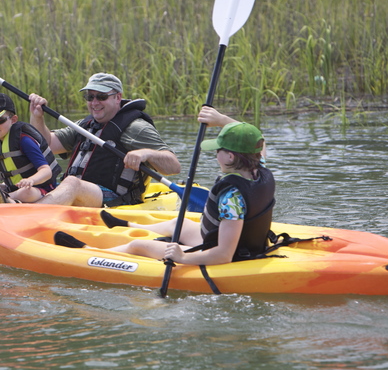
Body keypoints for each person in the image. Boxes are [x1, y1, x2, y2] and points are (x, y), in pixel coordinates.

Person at [55, 107, 276, 266]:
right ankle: (125, 223)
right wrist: (221, 119)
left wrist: (182, 257)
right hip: (246, 245)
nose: (215, 154)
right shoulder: (260, 168)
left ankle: (89, 252)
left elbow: (224, 255)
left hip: (227, 256)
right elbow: (258, 139)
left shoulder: (231, 198)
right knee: (178, 224)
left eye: (218, 150)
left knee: (138, 246)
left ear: (229, 156)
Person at [22, 72, 181, 207]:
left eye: (102, 96)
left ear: (118, 97)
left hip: (115, 199)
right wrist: (37, 116)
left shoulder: (136, 128)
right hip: (79, 192)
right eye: (90, 97)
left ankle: (31, 214)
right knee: (29, 186)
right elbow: (47, 144)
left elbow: (173, 166)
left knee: (72, 183)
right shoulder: (85, 125)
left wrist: (146, 153)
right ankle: (10, 201)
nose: (94, 102)